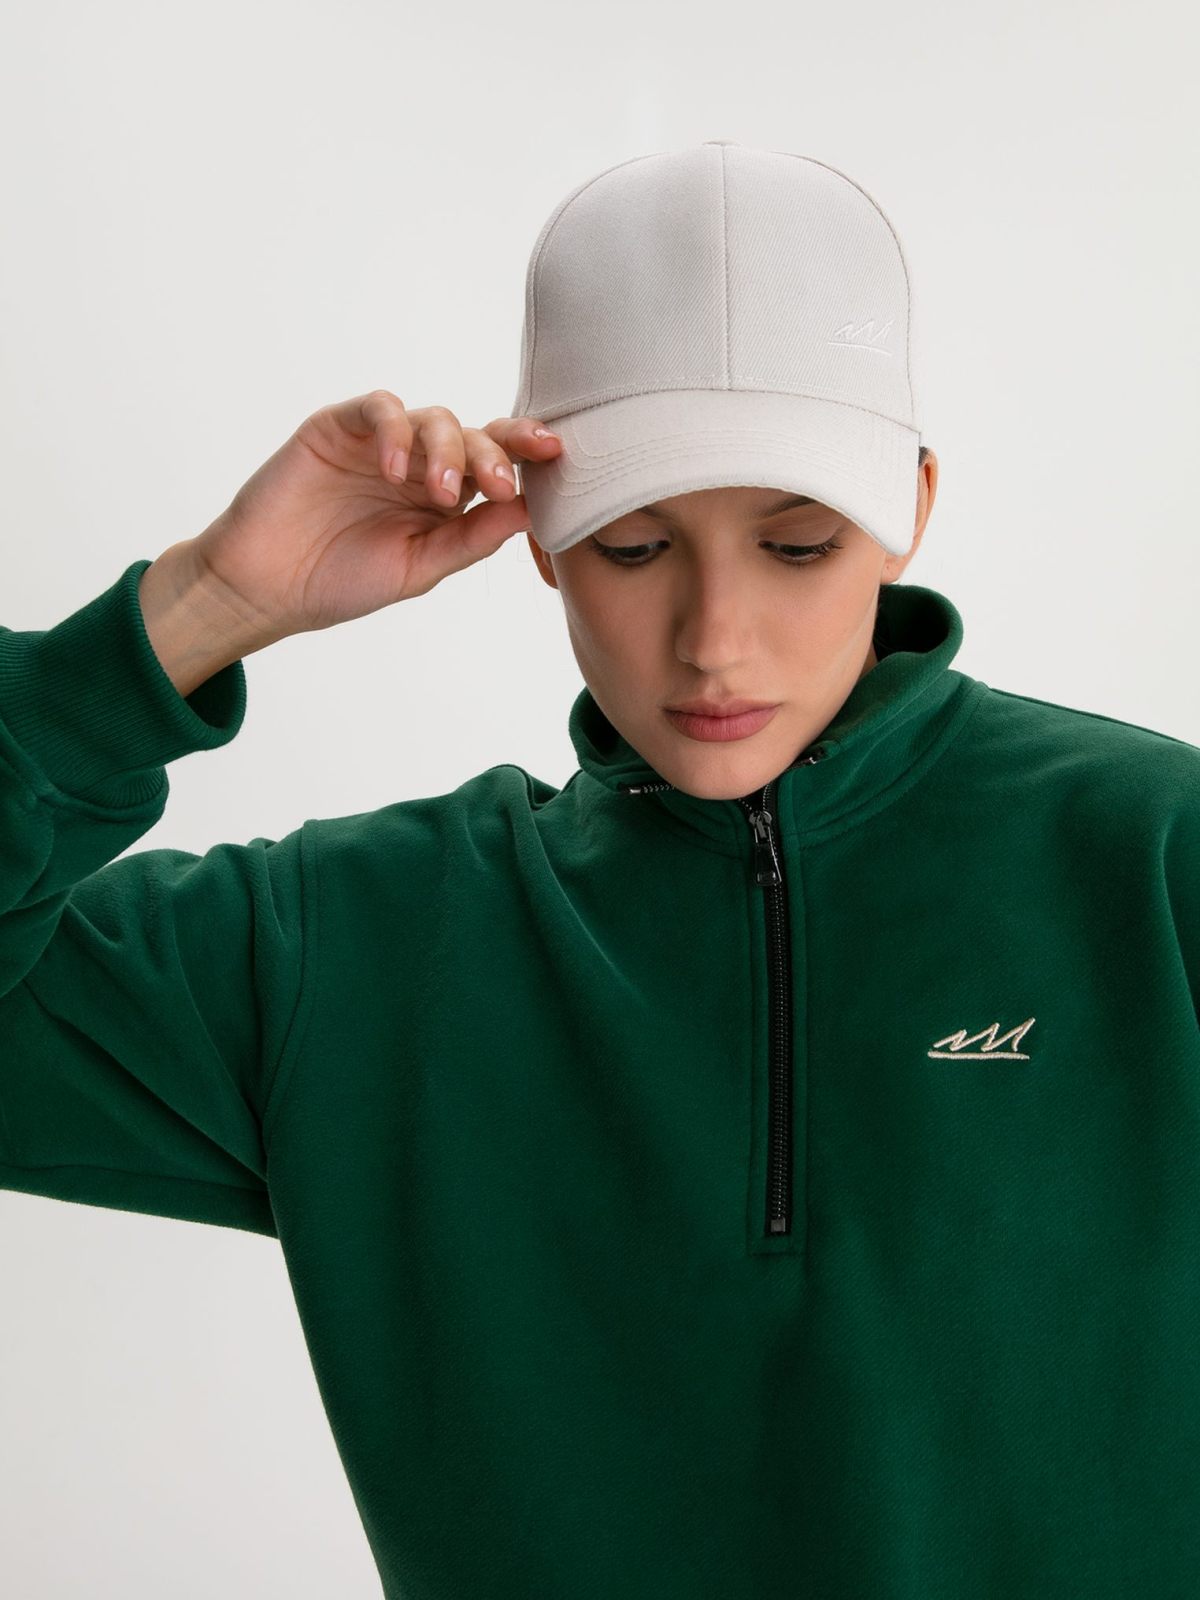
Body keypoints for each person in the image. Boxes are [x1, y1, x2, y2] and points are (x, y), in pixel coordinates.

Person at [2, 144, 1198, 1600]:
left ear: (914, 508)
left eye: (798, 544)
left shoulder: (1153, 861)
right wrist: (199, 608)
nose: (714, 639)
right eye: (633, 547)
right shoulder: (347, 950)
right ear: (538, 538)